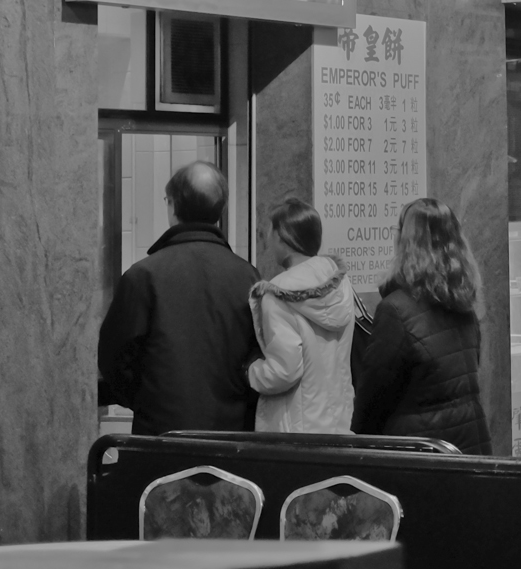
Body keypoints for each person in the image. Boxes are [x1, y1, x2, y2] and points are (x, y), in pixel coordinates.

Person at [97, 163, 258, 436]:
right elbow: (258, 358)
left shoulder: (142, 276)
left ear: (172, 205)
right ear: (221, 210)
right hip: (232, 439)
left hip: (160, 437)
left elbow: (114, 359)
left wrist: (147, 400)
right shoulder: (249, 277)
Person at [353, 198, 491, 454]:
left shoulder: (396, 310)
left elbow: (373, 397)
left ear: (405, 242)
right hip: (468, 445)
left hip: (421, 452)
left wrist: (359, 443)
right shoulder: (464, 303)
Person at [247, 198, 357, 434]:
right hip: (340, 420)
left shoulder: (277, 294)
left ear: (282, 237)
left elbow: (284, 372)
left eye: (269, 232)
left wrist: (252, 371)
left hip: (297, 429)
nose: (267, 240)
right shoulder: (341, 284)